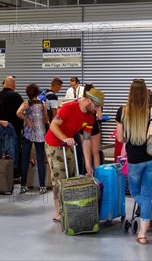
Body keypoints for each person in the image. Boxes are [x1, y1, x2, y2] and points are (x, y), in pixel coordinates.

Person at [116, 79, 152, 245]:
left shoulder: (122, 112)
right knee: (146, 194)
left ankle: (143, 233)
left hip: (135, 159)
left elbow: (120, 138)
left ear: (130, 92)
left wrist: (132, 134)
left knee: (136, 192)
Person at [45, 87, 104, 223]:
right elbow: (53, 125)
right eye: (96, 106)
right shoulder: (69, 108)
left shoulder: (89, 117)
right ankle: (57, 212)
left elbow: (87, 140)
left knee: (71, 176)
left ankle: (69, 208)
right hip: (54, 143)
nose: (97, 110)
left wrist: (88, 165)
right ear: (88, 100)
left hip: (69, 143)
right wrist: (65, 138)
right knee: (59, 178)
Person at [16, 84, 49, 194]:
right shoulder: (42, 103)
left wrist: (26, 120)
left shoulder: (26, 103)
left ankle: (23, 185)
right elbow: (46, 119)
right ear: (37, 92)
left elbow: (18, 113)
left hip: (28, 133)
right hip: (40, 132)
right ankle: (42, 186)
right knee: (40, 159)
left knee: (25, 158)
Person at [0, 76, 24, 180]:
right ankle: (15, 174)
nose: (15, 85)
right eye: (15, 83)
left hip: (0, 127)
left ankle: (3, 173)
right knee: (15, 151)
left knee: (2, 151)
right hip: (14, 128)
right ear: (12, 84)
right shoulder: (15, 95)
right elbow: (22, 111)